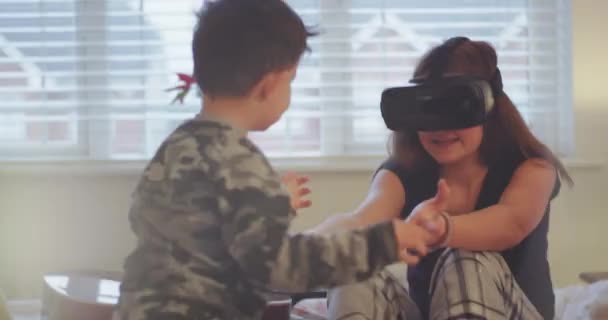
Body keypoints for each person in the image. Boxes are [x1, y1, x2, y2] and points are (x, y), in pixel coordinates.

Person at [115, 1, 439, 319]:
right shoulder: (241, 163)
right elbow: (282, 267)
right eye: (291, 80)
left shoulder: (176, 145)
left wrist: (273, 203)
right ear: (268, 85)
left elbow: (185, 218)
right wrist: (382, 243)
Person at [310, 37, 573, 320]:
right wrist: (299, 249)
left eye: (456, 107)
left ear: (489, 108)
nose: (441, 126)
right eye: (428, 108)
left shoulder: (533, 168)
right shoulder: (402, 172)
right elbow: (362, 221)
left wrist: (443, 229)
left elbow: (512, 223)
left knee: (466, 258)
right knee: (355, 260)